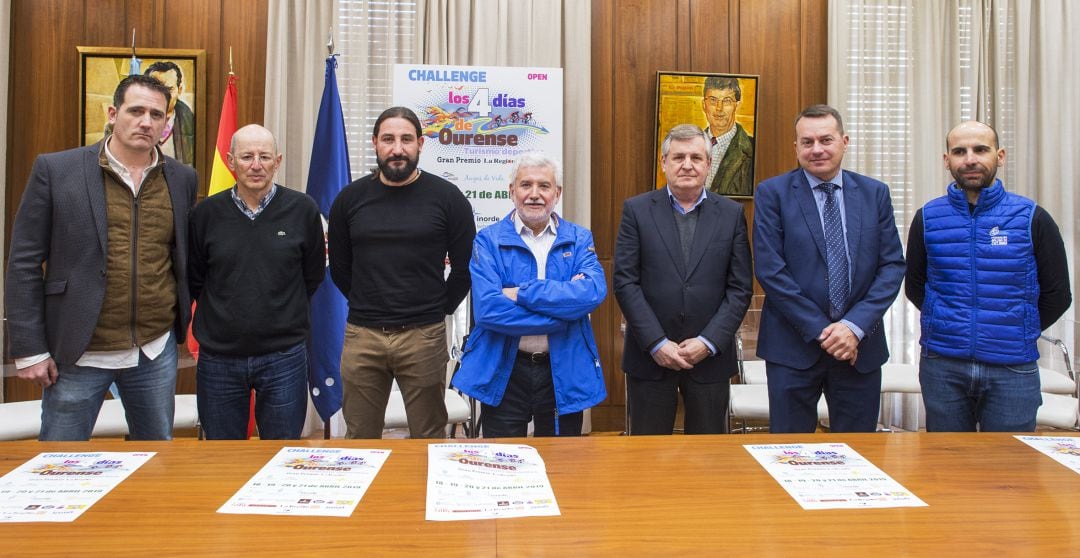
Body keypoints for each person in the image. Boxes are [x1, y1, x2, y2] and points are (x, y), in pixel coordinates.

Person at [5, 74, 198, 441]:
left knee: (156, 461)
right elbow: (24, 263)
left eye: (156, 115)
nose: (146, 122)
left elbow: (181, 257)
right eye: (136, 110)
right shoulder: (57, 170)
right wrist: (30, 349)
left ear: (165, 125)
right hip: (79, 353)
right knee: (60, 465)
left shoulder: (182, 178)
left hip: (153, 352)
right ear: (112, 113)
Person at [905, 121, 1071, 432]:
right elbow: (915, 286)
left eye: (981, 149)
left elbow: (1058, 294)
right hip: (943, 366)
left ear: (1000, 155)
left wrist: (1018, 328)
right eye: (959, 151)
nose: (970, 159)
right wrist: (950, 321)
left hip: (1012, 368)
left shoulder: (1032, 217)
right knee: (947, 466)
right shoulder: (927, 218)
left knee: (1010, 471)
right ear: (947, 160)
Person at [753, 104, 905, 433]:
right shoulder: (773, 194)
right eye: (807, 142)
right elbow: (771, 270)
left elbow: (892, 266)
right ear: (796, 147)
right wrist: (826, 332)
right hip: (792, 347)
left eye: (826, 139)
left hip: (858, 348)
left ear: (844, 141)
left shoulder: (874, 193)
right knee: (789, 454)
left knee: (859, 455)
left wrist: (852, 327)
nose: (817, 149)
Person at [328, 106, 476, 439]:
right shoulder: (349, 200)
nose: (398, 149)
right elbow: (339, 268)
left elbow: (466, 269)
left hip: (423, 335)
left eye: (406, 139)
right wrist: (368, 301)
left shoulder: (448, 198)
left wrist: (437, 308)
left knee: (428, 437)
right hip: (363, 335)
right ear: (375, 144)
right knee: (360, 437)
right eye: (389, 139)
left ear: (421, 144)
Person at [452, 152, 607, 437]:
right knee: (503, 464)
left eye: (544, 186)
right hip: (506, 370)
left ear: (557, 193)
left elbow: (592, 292)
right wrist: (562, 315)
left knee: (563, 464)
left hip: (563, 370)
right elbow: (488, 310)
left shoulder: (579, 238)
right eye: (526, 185)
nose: (534, 194)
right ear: (512, 191)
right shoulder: (488, 241)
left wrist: (522, 293)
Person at [187, 124, 325, 439]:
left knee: (281, 455)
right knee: (223, 456)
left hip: (283, 356)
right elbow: (196, 278)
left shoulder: (303, 209)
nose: (256, 165)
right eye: (247, 156)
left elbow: (312, 275)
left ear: (277, 162)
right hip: (219, 357)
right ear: (230, 161)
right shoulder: (205, 213)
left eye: (264, 157)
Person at [614, 124, 753, 435]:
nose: (687, 165)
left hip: (710, 359)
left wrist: (708, 342)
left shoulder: (731, 214)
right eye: (678, 157)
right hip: (651, 358)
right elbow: (625, 282)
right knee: (648, 456)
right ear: (664, 163)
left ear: (708, 163)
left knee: (708, 460)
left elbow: (740, 287)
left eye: (696, 157)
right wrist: (657, 343)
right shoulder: (636, 210)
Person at [701, 76, 754, 197]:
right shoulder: (690, 145)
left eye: (727, 101)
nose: (719, 108)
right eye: (713, 100)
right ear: (704, 105)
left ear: (737, 105)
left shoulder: (752, 149)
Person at [145, 61, 195, 165]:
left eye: (169, 89)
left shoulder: (190, 121)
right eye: (157, 89)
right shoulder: (132, 119)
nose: (164, 96)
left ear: (179, 90)